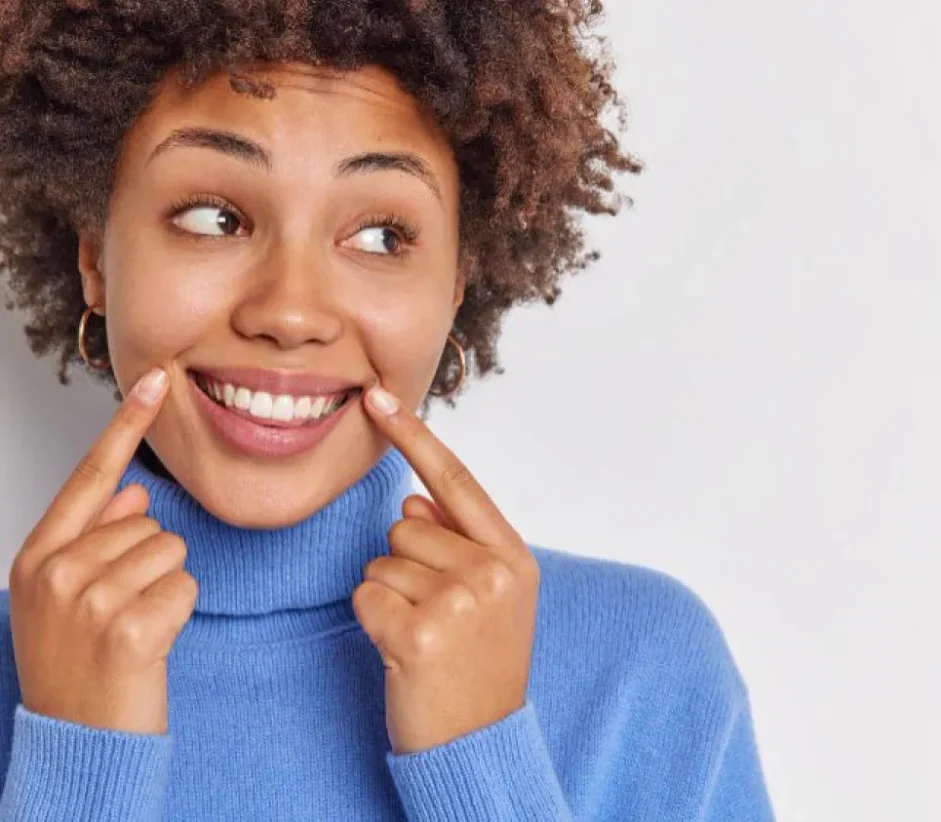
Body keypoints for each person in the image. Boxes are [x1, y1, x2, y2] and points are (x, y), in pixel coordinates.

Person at [0, 1, 775, 819]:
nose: (291, 312)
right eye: (214, 219)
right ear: (96, 255)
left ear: (456, 284)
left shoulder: (640, 672)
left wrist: (482, 768)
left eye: (380, 237)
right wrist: (78, 773)